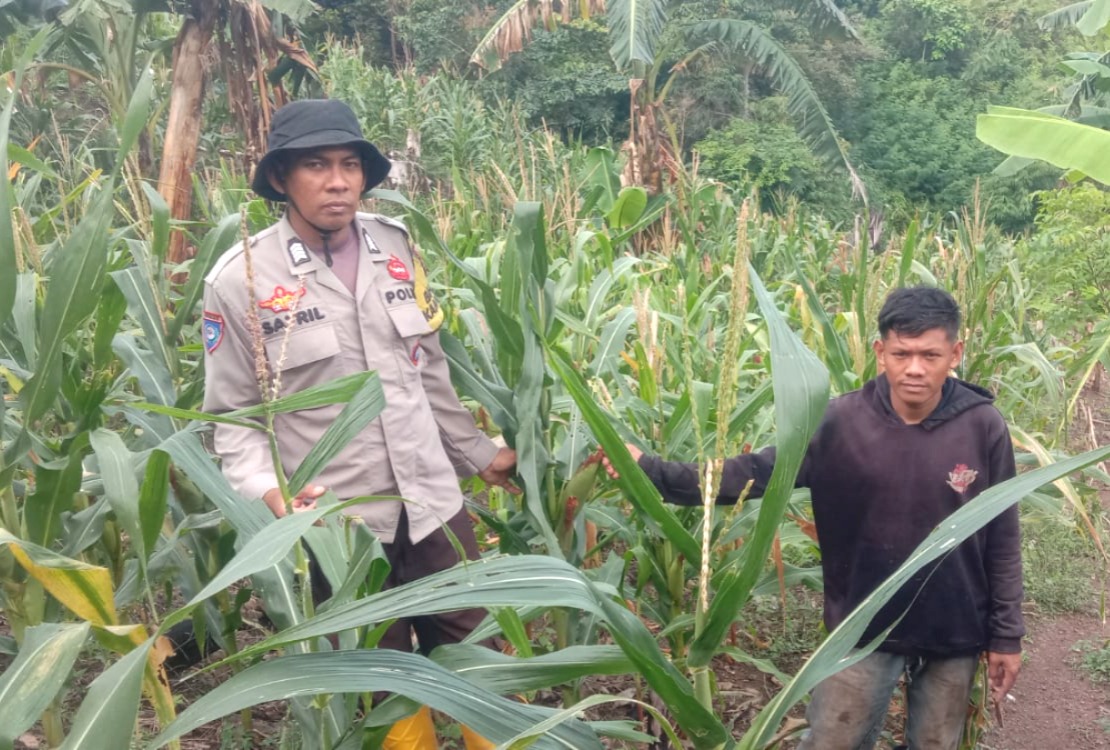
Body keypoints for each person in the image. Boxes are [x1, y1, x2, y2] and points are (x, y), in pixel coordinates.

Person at [201, 98, 517, 750]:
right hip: (340, 526)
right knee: (385, 690)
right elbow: (232, 416)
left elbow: (428, 372)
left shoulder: (397, 248)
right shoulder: (241, 279)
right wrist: (272, 494)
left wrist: (481, 454)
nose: (338, 180)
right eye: (316, 165)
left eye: (349, 164)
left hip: (433, 500)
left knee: (485, 671)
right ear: (281, 177)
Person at [606, 287, 1023, 750]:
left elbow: (1001, 534)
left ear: (955, 353)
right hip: (860, 627)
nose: (915, 368)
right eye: (902, 353)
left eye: (931, 354)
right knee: (832, 741)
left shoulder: (983, 426)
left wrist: (1006, 635)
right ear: (880, 351)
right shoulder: (838, 423)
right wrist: (650, 471)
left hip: (954, 628)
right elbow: (755, 474)